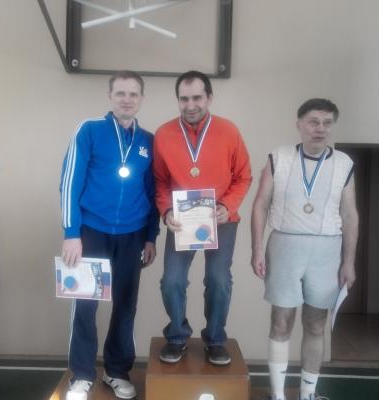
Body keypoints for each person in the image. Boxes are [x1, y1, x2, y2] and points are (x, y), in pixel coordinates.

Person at [60, 70, 159, 400]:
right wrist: (71, 232)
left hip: (133, 234)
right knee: (85, 304)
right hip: (91, 232)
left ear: (141, 99)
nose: (127, 99)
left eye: (133, 94)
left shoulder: (148, 141)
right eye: (120, 93)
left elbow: (152, 191)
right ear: (110, 96)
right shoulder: (89, 130)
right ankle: (82, 375)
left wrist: (151, 236)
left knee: (126, 304)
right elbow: (70, 181)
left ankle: (117, 371)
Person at [251, 98, 359, 400]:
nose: (320, 128)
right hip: (285, 245)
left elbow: (350, 214)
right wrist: (257, 249)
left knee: (316, 323)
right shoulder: (279, 157)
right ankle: (277, 394)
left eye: (326, 123)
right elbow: (260, 204)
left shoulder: (343, 163)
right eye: (313, 121)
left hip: (327, 249)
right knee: (281, 320)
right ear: (299, 124)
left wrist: (348, 262)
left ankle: (308, 394)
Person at [154, 70, 252, 365]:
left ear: (209, 97)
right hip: (181, 221)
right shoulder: (164, 134)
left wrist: (228, 206)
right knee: (172, 281)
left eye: (197, 97)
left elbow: (244, 176)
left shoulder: (229, 130)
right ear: (178, 100)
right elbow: (160, 182)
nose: (190, 105)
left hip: (222, 219)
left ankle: (215, 339)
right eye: (184, 99)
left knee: (219, 280)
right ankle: (177, 336)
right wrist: (166, 211)